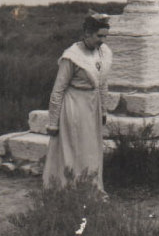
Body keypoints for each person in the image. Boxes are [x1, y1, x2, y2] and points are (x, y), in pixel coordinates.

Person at [43, 11, 113, 193]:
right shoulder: (71, 56)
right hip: (74, 107)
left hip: (93, 106)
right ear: (87, 34)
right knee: (75, 149)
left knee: (92, 149)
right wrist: (53, 121)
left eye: (105, 36)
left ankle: (91, 188)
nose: (102, 40)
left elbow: (102, 82)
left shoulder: (104, 52)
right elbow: (58, 90)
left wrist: (104, 109)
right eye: (99, 36)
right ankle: (71, 190)